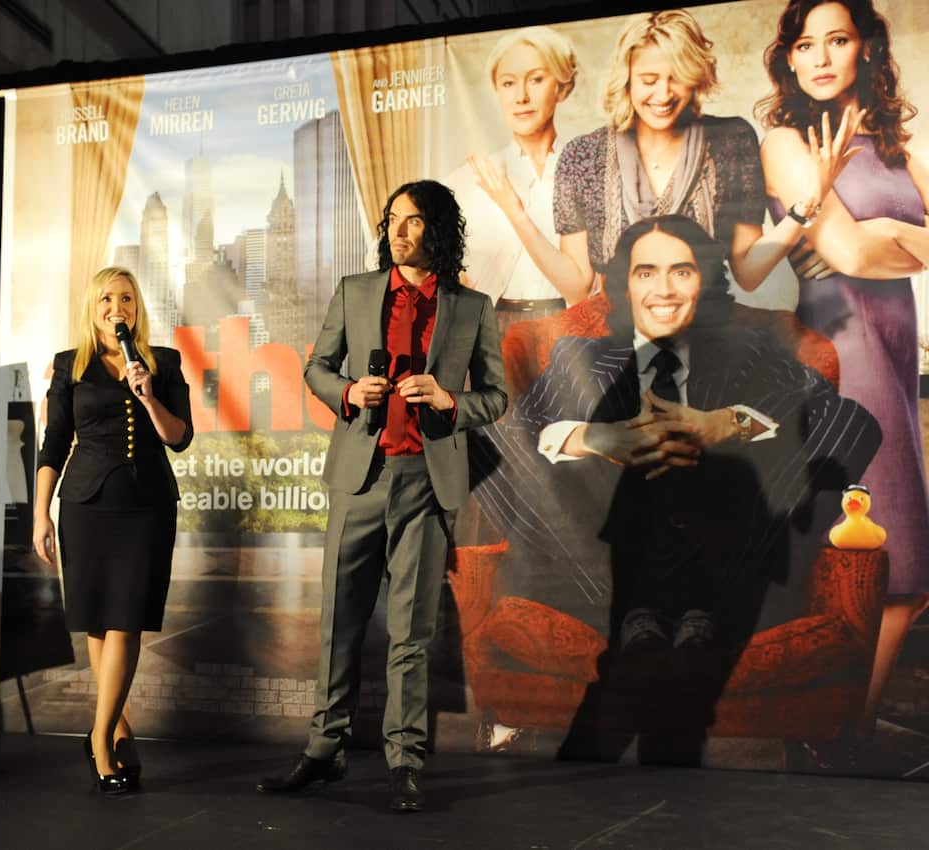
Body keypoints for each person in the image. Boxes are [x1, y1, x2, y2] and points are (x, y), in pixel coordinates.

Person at [471, 214, 880, 761]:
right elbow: (502, 441)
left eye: (681, 271)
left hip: (729, 552)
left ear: (705, 280)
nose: (663, 289)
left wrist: (727, 425)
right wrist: (592, 437)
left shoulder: (755, 349)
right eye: (646, 273)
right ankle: (638, 615)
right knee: (488, 446)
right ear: (625, 283)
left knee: (834, 429)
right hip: (600, 567)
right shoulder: (579, 357)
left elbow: (850, 424)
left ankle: (704, 609)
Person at [257, 180, 508, 812]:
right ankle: (324, 748)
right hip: (358, 477)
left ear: (438, 230)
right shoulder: (357, 291)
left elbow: (498, 397)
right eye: (393, 220)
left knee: (411, 632)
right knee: (339, 620)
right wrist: (347, 393)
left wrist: (452, 399)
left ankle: (404, 760)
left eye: (414, 221)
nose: (399, 231)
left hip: (426, 479)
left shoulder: (471, 307)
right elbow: (316, 366)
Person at [756, 0, 929, 757]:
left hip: (895, 341)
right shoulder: (786, 142)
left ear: (865, 49)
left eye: (839, 40)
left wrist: (880, 236)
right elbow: (850, 256)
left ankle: (839, 729)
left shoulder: (897, 145)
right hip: (839, 344)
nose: (822, 56)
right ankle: (839, 731)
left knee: (909, 566)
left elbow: (866, 243)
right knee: (881, 551)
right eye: (806, 44)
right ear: (789, 59)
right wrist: (899, 237)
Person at [516, 9, 856, 301]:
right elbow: (577, 288)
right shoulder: (584, 155)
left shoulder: (731, 140)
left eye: (676, 78)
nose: (662, 94)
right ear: (628, 81)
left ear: (696, 79)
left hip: (706, 335)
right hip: (614, 340)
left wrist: (803, 209)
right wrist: (516, 215)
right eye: (648, 80)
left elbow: (748, 272)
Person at [31, 266, 193, 796]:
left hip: (146, 507)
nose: (115, 306)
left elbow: (179, 438)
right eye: (106, 297)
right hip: (85, 506)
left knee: (125, 622)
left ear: (136, 306)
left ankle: (98, 737)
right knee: (99, 626)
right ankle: (119, 727)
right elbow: (54, 443)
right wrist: (41, 514)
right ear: (93, 306)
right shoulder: (68, 365)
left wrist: (147, 394)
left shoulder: (162, 362)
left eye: (125, 297)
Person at [442, 26, 579, 334]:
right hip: (498, 326)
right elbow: (389, 246)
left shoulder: (585, 167)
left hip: (572, 325)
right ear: (497, 91)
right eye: (508, 83)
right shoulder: (475, 176)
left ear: (562, 86)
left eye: (536, 79)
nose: (521, 97)